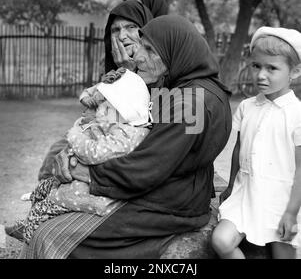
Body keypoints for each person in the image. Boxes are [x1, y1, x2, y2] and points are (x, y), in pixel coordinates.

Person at [19, 15, 232, 259]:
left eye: (150, 49)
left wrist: (84, 172)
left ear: (178, 51)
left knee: (50, 233)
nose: (138, 55)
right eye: (142, 46)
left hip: (170, 203)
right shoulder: (177, 89)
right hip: (164, 190)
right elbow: (137, 135)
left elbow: (149, 166)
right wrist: (73, 153)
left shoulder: (191, 103)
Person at [6, 68, 152, 244]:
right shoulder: (120, 126)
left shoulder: (128, 136)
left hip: (90, 193)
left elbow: (94, 153)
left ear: (127, 112)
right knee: (43, 188)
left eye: (105, 109)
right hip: (84, 181)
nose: (99, 113)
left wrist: (75, 135)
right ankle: (31, 216)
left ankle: (30, 235)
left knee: (43, 208)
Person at [37, 0, 153, 182]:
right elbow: (98, 107)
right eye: (115, 30)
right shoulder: (112, 67)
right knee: (57, 150)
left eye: (131, 27)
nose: (122, 36)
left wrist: (130, 74)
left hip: (124, 145)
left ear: (146, 30)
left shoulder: (159, 67)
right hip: (100, 131)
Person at [211, 26, 301, 259]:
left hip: (282, 200)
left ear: (295, 71)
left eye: (272, 68)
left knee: (283, 254)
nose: (261, 75)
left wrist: (291, 213)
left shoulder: (297, 113)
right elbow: (239, 148)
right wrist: (231, 185)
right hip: (246, 194)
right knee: (221, 241)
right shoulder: (246, 106)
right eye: (256, 66)